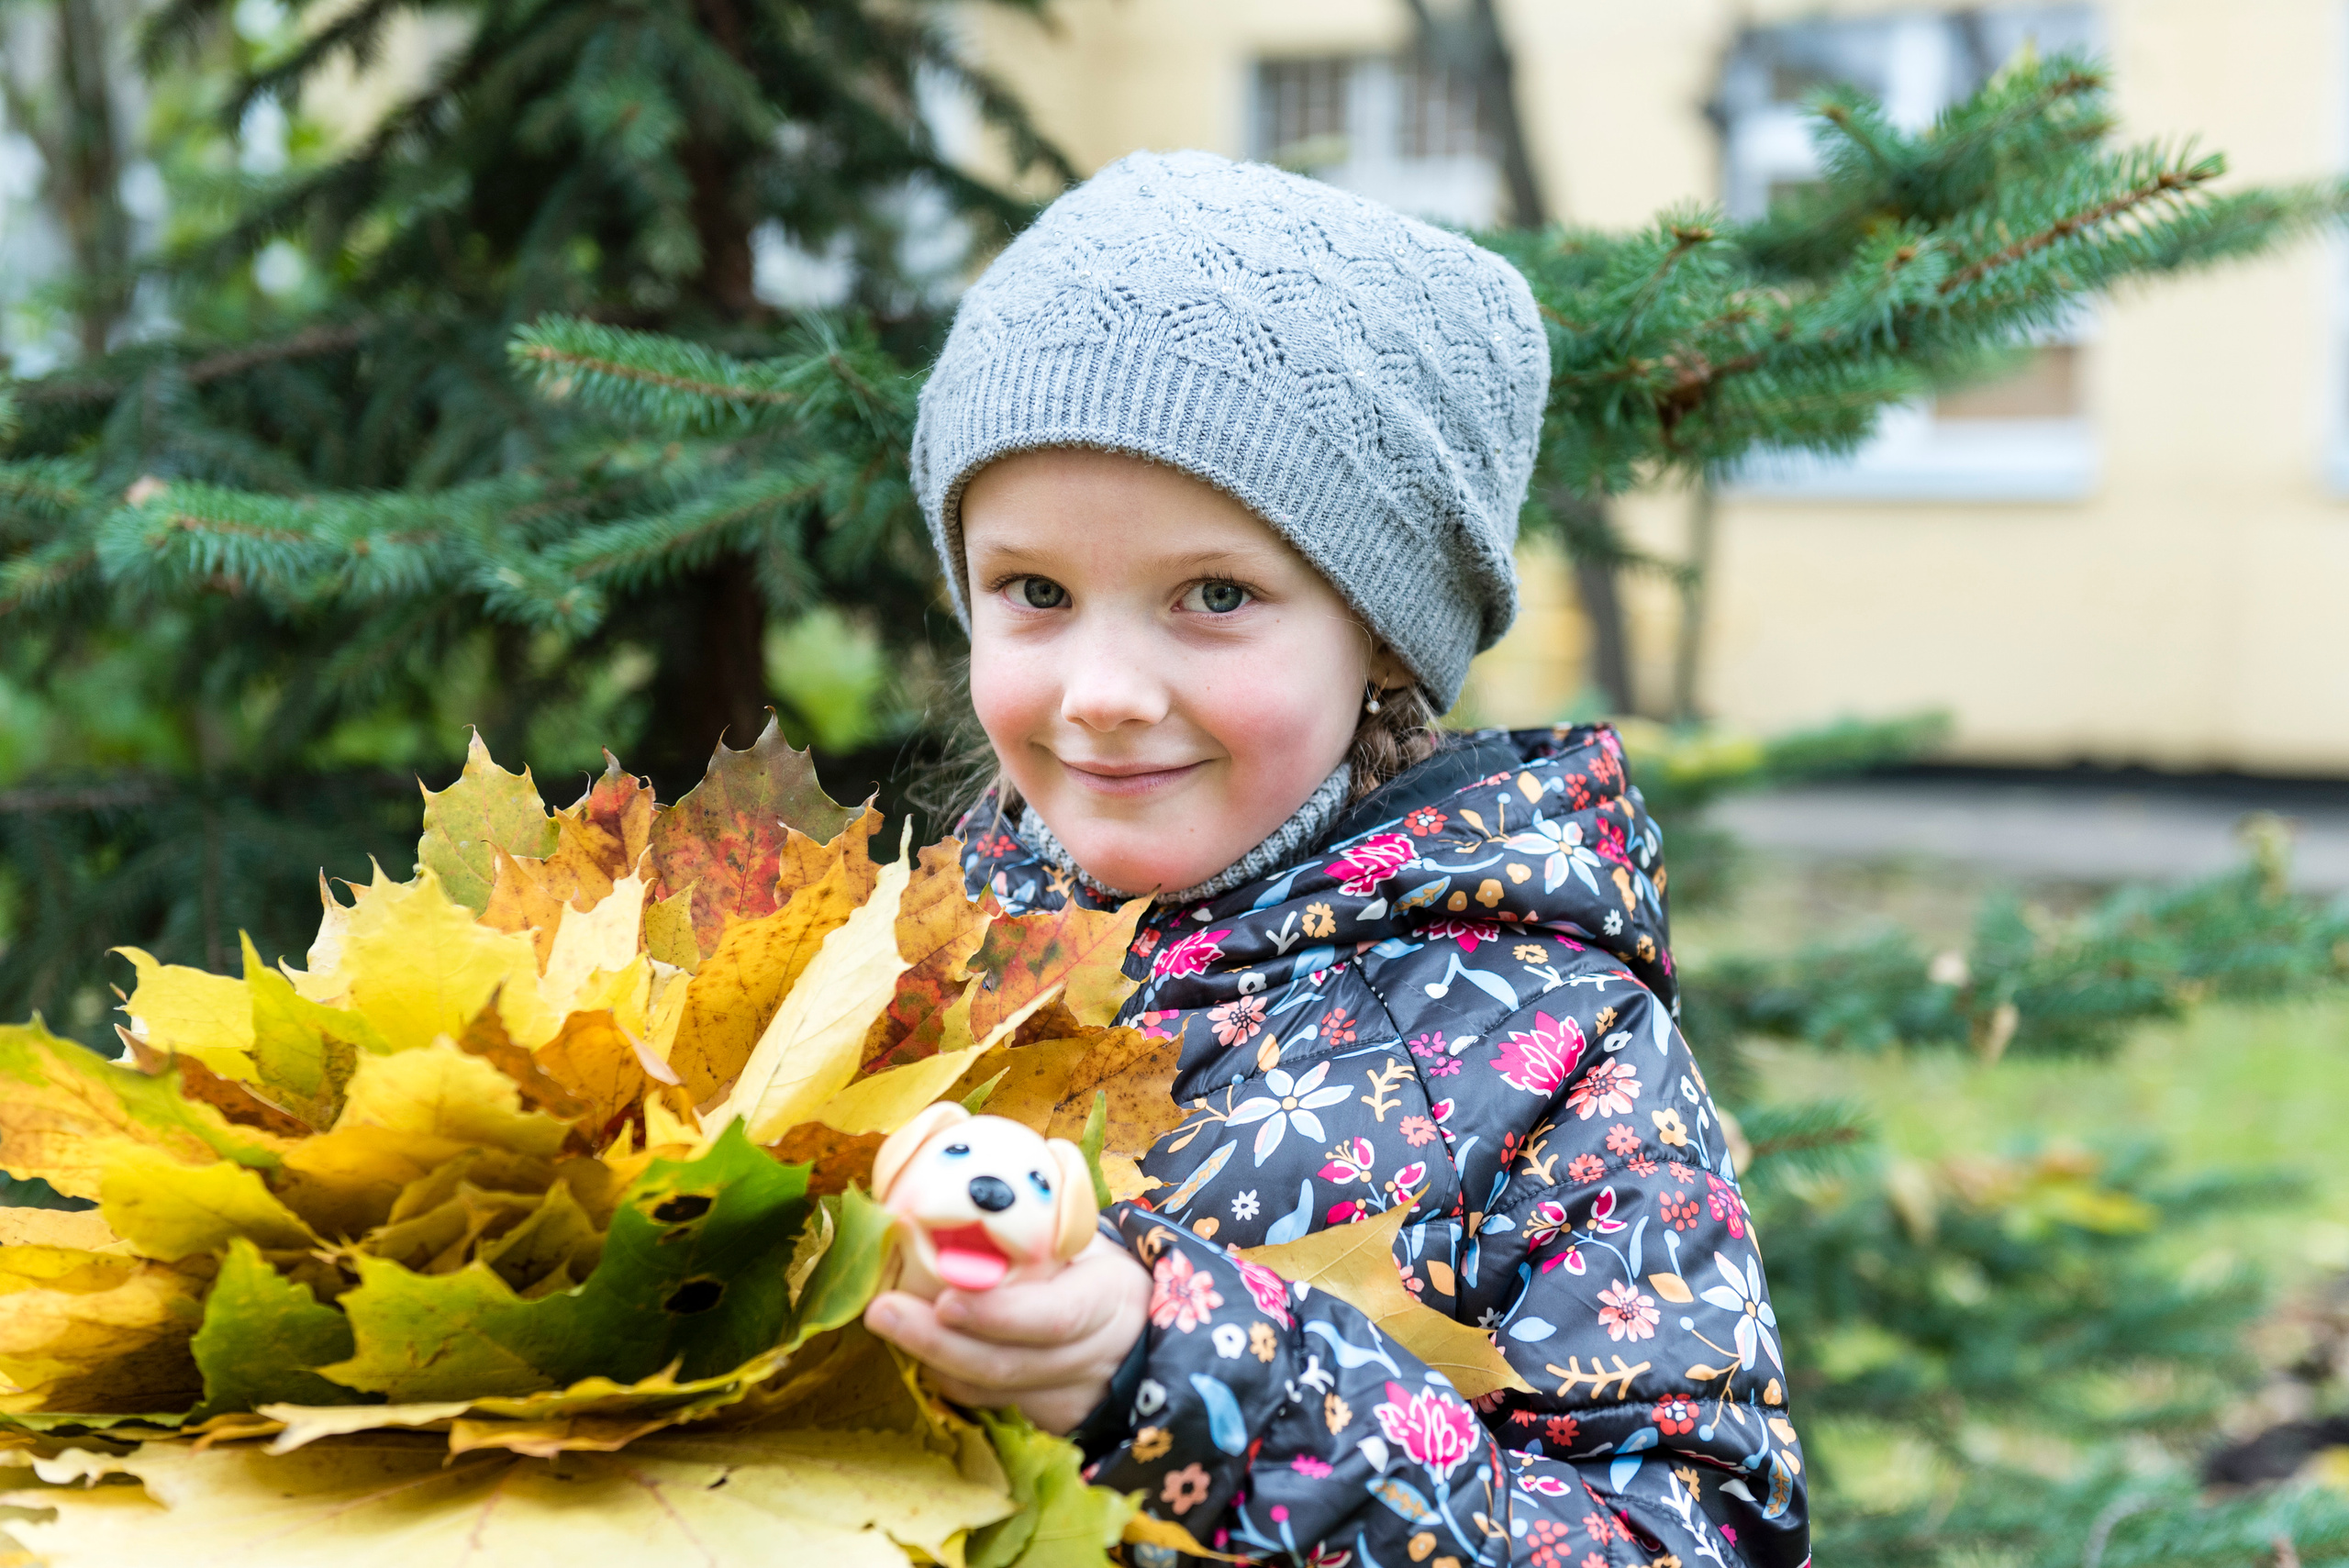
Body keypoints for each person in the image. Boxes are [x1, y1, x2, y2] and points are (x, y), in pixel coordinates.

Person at [863, 149, 1809, 1568]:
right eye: (1035, 589)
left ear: (1380, 634)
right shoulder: (906, 958)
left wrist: (1171, 1374)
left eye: (1214, 594)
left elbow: (1685, 1536)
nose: (1101, 690)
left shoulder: (1538, 1049)